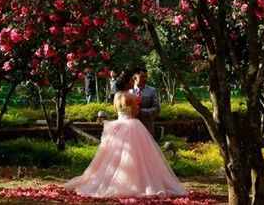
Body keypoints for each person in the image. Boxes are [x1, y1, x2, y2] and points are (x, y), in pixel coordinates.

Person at [64, 70, 186, 198]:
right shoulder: (131, 96)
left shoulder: (116, 96)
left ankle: (116, 180)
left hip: (119, 123)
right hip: (132, 124)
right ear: (127, 83)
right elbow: (135, 112)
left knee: (114, 156)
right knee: (137, 155)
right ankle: (138, 181)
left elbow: (116, 109)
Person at [131, 67, 160, 136]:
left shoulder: (152, 90)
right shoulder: (129, 91)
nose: (145, 79)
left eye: (146, 77)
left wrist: (142, 111)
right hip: (131, 128)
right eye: (142, 77)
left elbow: (157, 109)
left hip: (147, 127)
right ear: (135, 77)